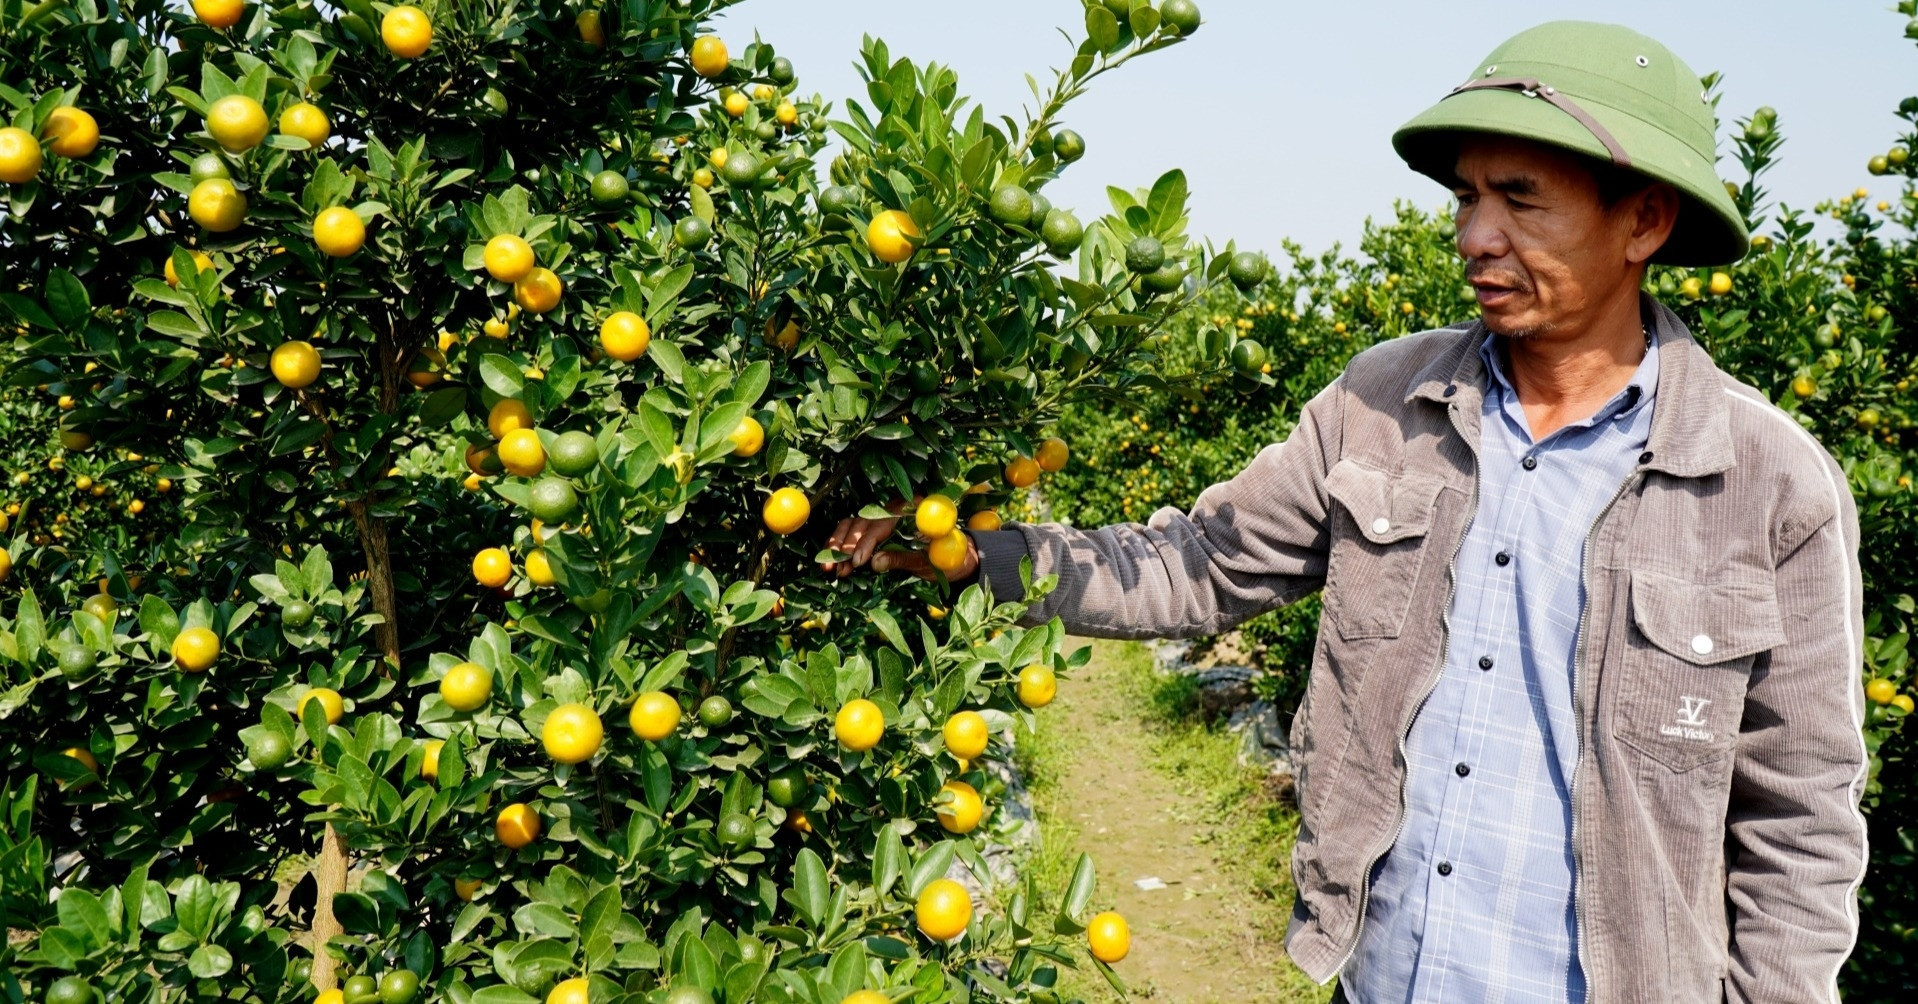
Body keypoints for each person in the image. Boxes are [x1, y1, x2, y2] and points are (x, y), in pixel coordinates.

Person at [823, 20, 1865, 1004]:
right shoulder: (1383, 402)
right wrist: (975, 561)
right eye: (1465, 198)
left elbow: (1800, 817)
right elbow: (1200, 561)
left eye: (1518, 199)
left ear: (1643, 219)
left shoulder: (1769, 481)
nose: (1473, 235)